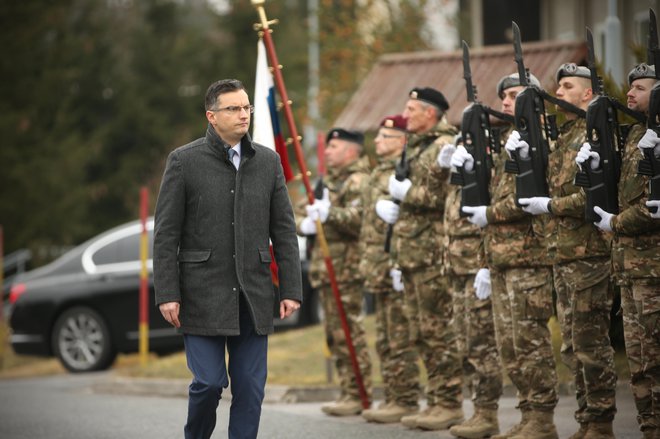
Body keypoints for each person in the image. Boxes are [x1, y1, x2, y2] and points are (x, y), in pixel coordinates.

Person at [153, 79, 303, 439]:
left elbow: (284, 230)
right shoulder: (183, 161)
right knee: (208, 382)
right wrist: (166, 292)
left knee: (250, 389)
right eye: (233, 108)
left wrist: (291, 289)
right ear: (211, 115)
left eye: (247, 107)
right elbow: (166, 234)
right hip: (201, 294)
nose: (243, 114)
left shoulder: (268, 162)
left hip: (253, 293)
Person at [515, 64, 617, 438]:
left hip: (588, 254)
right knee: (572, 347)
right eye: (558, 84)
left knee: (591, 345)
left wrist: (550, 206)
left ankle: (602, 423)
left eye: (568, 85)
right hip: (564, 254)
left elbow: (594, 195)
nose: (559, 90)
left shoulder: (592, 136)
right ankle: (587, 421)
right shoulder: (564, 136)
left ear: (588, 94)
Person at [462, 72, 560, 439]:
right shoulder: (506, 140)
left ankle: (542, 419)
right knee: (510, 344)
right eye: (503, 96)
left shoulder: (543, 140)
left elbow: (527, 201)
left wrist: (490, 213)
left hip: (529, 258)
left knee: (530, 342)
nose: (506, 103)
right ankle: (527, 415)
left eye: (515, 96)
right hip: (502, 259)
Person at [580, 63, 660, 438]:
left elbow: (651, 208)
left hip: (653, 268)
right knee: (640, 362)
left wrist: (614, 222)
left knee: (655, 359)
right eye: (630, 86)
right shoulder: (632, 137)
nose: (630, 93)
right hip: (629, 268)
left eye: (641, 88)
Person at [377, 87, 464, 431]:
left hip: (432, 253)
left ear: (430, 113)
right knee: (421, 332)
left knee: (438, 330)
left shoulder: (444, 146)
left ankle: (449, 402)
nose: (406, 113)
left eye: (412, 108)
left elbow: (446, 195)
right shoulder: (418, 147)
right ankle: (435, 400)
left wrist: (407, 194)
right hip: (412, 253)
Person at [298, 127, 373, 416]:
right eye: (327, 146)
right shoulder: (328, 181)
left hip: (347, 267)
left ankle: (360, 393)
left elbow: (360, 220)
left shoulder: (359, 180)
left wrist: (330, 215)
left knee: (349, 332)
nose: (327, 151)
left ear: (352, 150)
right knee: (334, 334)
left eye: (334, 146)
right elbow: (300, 211)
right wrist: (303, 224)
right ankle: (348, 390)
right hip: (326, 268)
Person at [358, 115, 421, 423]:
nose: (378, 141)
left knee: (400, 336)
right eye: (378, 135)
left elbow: (406, 219)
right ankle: (395, 395)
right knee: (384, 338)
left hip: (396, 262)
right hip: (377, 266)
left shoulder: (404, 169)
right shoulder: (377, 172)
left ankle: (407, 398)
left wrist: (397, 262)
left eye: (386, 136)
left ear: (402, 141)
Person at [443, 140, 503, 436]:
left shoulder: (486, 164)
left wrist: (486, 264)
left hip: (476, 266)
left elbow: (485, 219)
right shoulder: (461, 170)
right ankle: (477, 411)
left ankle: (487, 413)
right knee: (465, 342)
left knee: (482, 344)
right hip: (456, 267)